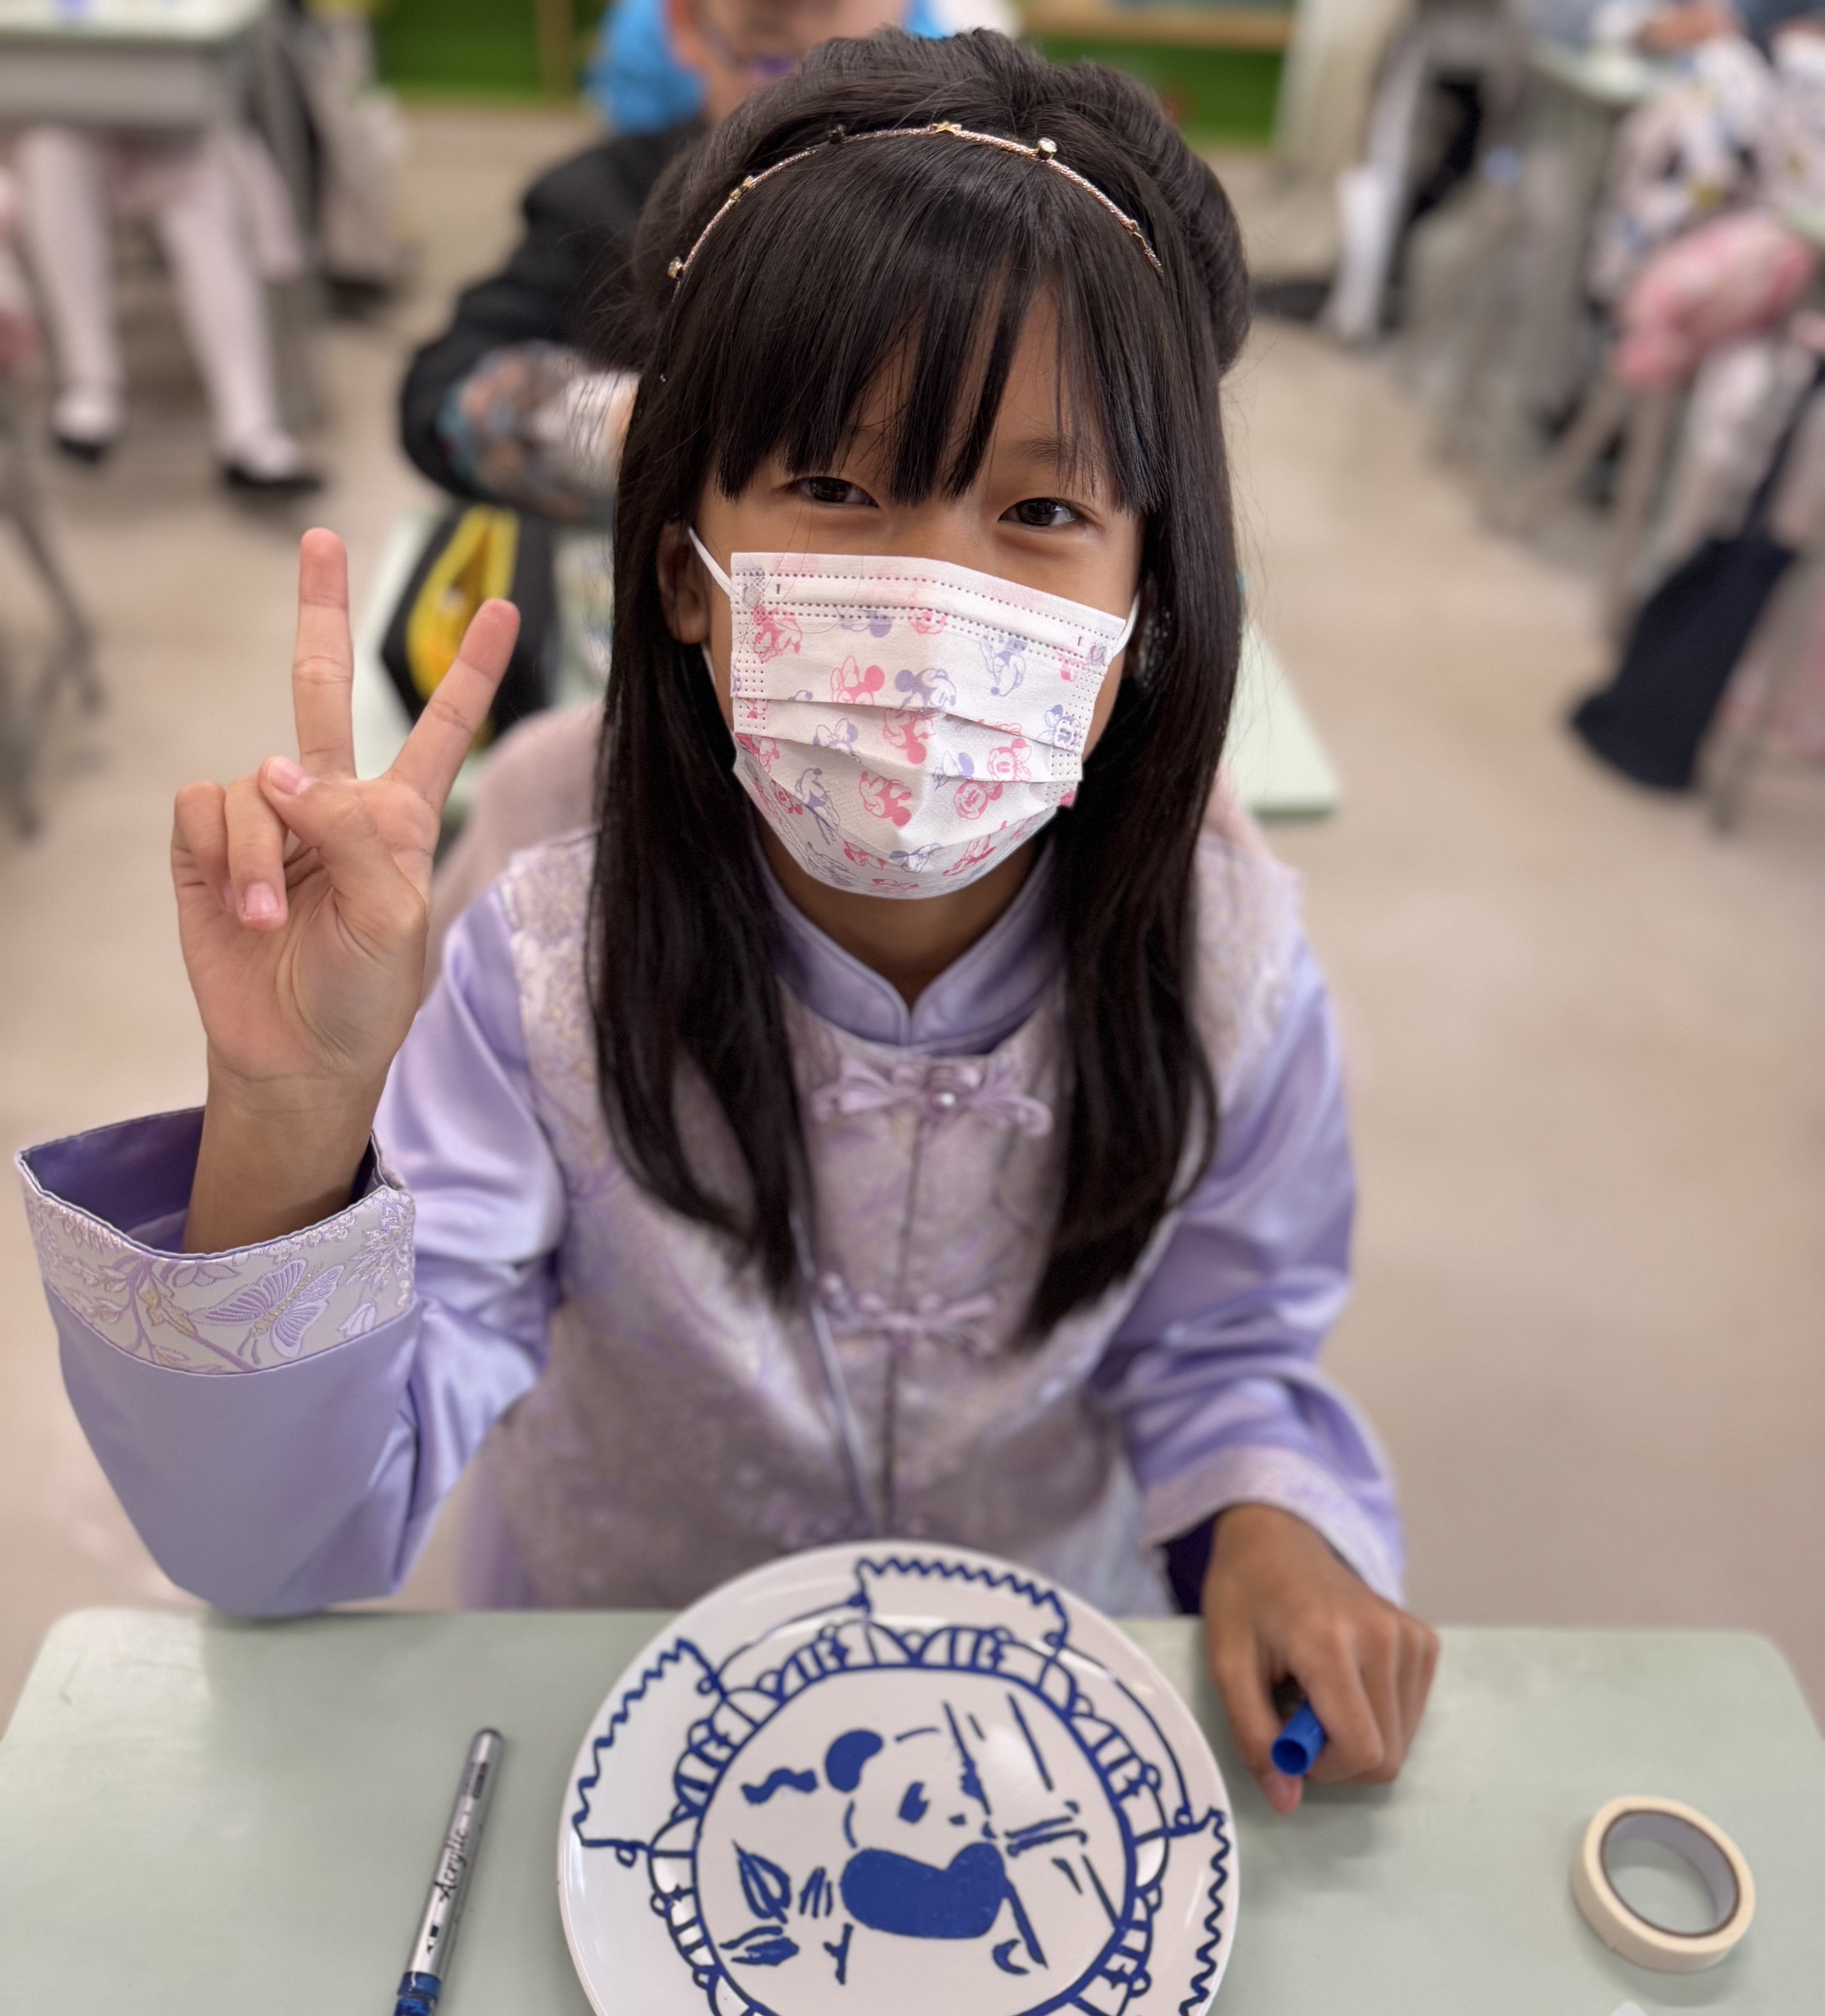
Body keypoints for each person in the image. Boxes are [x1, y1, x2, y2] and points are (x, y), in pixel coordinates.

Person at [19, 31, 1437, 1815]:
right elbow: (279, 1541)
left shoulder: (1228, 965)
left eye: (1041, 510)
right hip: (610, 1715)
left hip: (1015, 1724)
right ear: (684, 568)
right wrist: (289, 1124)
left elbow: (1224, 1339)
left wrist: (1267, 1521)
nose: (932, 590)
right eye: (836, 488)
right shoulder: (543, 943)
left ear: (1149, 603)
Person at [399, 0, 964, 522]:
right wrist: (636, 429)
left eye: (844, 70)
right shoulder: (596, 203)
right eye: (768, 65)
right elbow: (438, 394)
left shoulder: (961, 204)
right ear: (687, 25)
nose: (809, 111)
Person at [12, 127, 320, 493]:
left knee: (207, 186)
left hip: (177, 136)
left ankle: (249, 426)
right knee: (51, 151)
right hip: (55, 144)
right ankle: (91, 384)